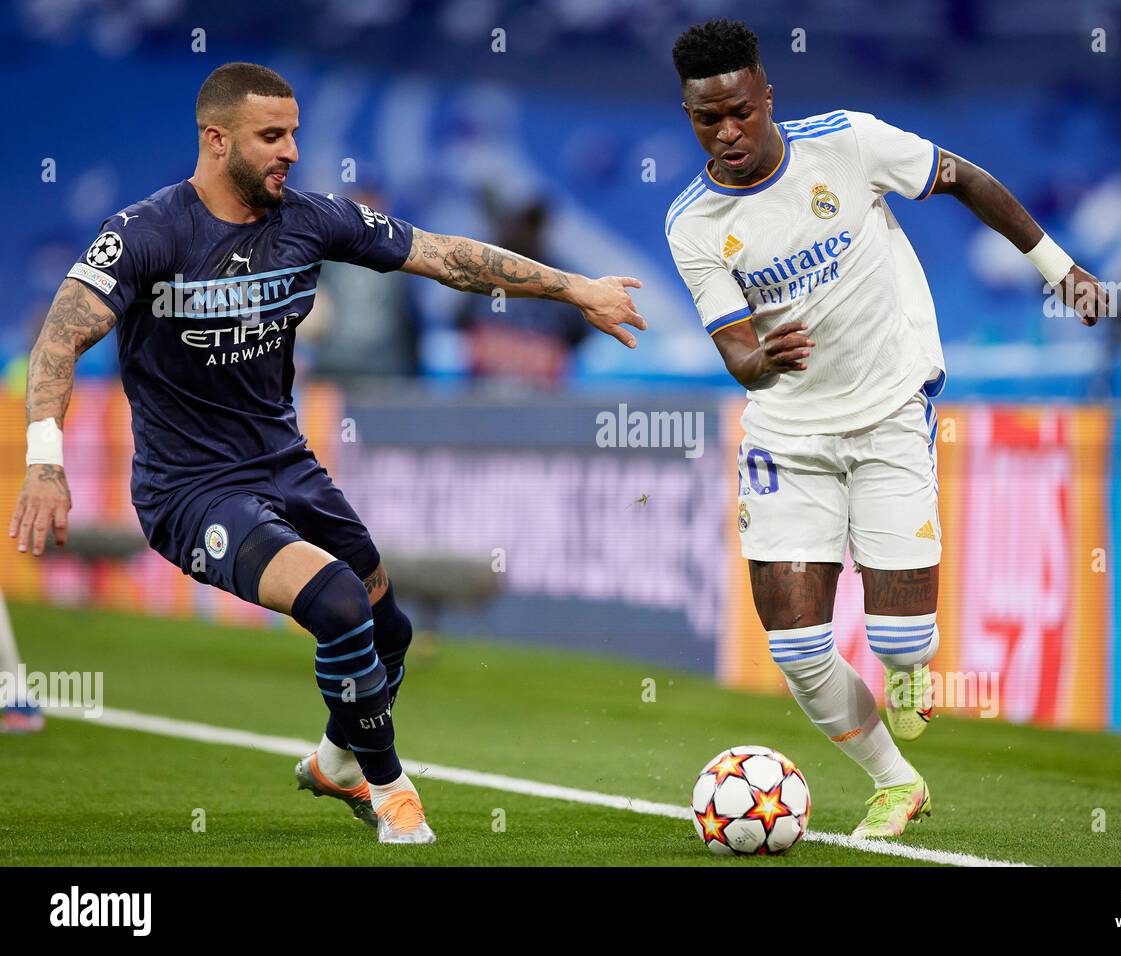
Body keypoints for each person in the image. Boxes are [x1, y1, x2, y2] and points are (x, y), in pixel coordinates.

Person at [9, 62, 645, 845]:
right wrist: (45, 462)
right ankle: (391, 789)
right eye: (272, 137)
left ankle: (340, 759)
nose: (291, 152)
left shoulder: (312, 219)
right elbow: (61, 336)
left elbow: (443, 255)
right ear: (216, 140)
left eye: (296, 135)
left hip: (287, 468)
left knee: (390, 632)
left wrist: (574, 287)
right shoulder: (145, 233)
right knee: (338, 601)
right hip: (190, 493)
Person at [664, 20, 1106, 840]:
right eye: (705, 119)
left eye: (738, 111)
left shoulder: (849, 142)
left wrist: (1060, 270)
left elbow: (967, 180)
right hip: (787, 440)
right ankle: (895, 784)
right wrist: (760, 362)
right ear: (688, 115)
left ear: (766, 95)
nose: (726, 132)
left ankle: (908, 679)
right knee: (797, 650)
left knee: (904, 640)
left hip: (890, 414)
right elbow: (735, 350)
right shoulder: (692, 222)